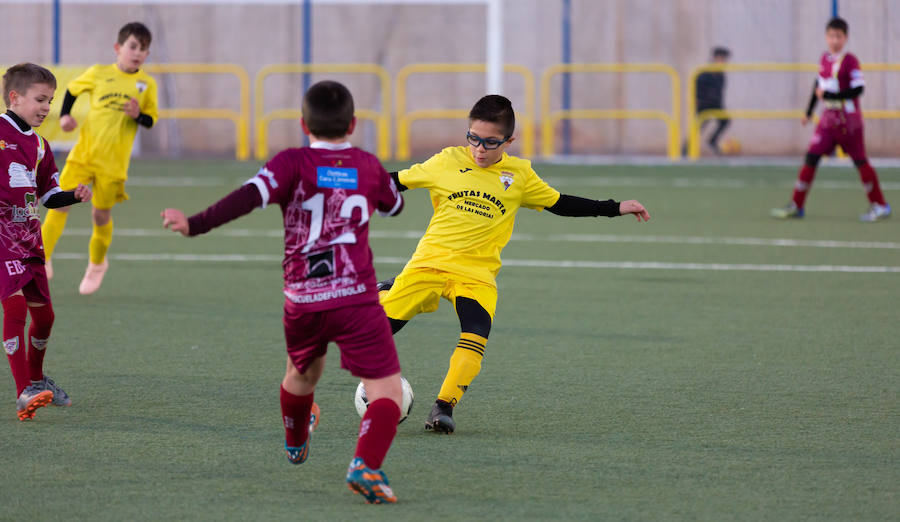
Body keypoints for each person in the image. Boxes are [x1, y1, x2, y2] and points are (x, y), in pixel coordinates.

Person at [161, 80, 406, 504]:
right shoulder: (366, 165)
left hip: (304, 299)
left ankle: (295, 439)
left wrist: (193, 223)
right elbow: (394, 204)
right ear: (353, 123)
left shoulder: (291, 162)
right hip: (355, 298)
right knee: (386, 392)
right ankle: (365, 465)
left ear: (302, 123)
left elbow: (245, 198)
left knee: (302, 374)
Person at [377, 94, 650, 434]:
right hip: (429, 264)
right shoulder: (447, 161)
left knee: (475, 335)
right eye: (473, 138)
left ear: (509, 141)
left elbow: (559, 203)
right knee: (377, 335)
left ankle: (442, 407)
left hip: (476, 275)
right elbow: (393, 181)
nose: (479, 149)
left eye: (490, 142)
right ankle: (387, 292)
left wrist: (614, 207)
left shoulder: (518, 175)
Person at [1, 64, 92, 420]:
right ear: (15, 97)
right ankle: (24, 390)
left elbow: (48, 195)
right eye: (40, 99)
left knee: (45, 317)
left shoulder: (40, 145)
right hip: (2, 236)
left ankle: (37, 381)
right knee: (15, 308)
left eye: (50, 101)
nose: (46, 107)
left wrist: (73, 195)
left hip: (29, 239)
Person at [41, 21, 159, 294]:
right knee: (59, 204)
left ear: (147, 55)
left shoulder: (146, 84)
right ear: (118, 48)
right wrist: (67, 115)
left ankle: (96, 265)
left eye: (143, 49)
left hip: (113, 163)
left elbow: (151, 120)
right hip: (83, 156)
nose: (137, 52)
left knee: (100, 214)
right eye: (132, 46)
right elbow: (72, 90)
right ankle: (42, 258)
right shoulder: (98, 73)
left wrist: (137, 115)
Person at [771, 17, 891, 222]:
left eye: (839, 36)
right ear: (826, 37)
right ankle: (796, 205)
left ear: (845, 38)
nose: (834, 40)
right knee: (811, 157)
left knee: (860, 161)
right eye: (831, 36)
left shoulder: (850, 60)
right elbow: (817, 85)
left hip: (849, 122)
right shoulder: (824, 59)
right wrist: (809, 111)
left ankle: (879, 205)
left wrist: (830, 97)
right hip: (828, 121)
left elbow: (859, 89)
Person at [684, 46, 731, 156]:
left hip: (716, 104)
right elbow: (697, 87)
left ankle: (712, 140)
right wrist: (697, 100)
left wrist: (720, 105)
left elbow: (720, 92)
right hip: (704, 104)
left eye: (724, 59)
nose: (723, 62)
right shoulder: (705, 72)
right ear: (714, 58)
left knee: (725, 121)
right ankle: (685, 149)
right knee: (699, 126)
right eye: (721, 58)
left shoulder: (721, 74)